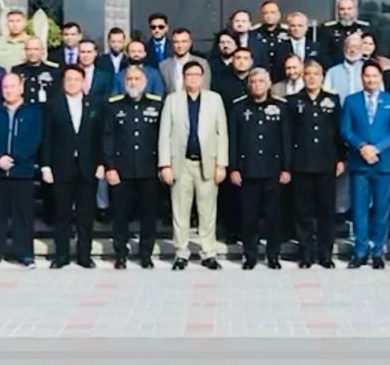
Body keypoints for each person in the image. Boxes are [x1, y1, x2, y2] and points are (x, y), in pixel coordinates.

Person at [159, 60, 229, 270]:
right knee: (180, 211)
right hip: (181, 163)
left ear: (202, 77)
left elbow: (222, 133)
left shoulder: (214, 99)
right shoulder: (172, 100)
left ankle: (208, 252)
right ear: (184, 77)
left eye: (197, 75)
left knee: (207, 212)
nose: (193, 79)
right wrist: (165, 164)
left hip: (207, 163)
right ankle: (181, 252)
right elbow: (164, 134)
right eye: (189, 75)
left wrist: (221, 164)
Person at [340, 61, 390, 269]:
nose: (371, 80)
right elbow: (345, 129)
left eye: (375, 76)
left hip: (382, 163)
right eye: (367, 76)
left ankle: (378, 251)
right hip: (359, 163)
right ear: (361, 78)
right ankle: (359, 251)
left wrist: (376, 148)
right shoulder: (351, 101)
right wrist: (362, 146)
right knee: (359, 210)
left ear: (380, 78)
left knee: (381, 210)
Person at [40, 65, 104, 268]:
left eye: (76, 79)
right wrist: (45, 166)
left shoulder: (95, 104)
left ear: (83, 82)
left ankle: (84, 255)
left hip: (88, 166)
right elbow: (47, 137)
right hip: (61, 166)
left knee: (86, 215)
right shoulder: (53, 105)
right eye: (68, 79)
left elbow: (101, 136)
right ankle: (62, 255)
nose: (72, 83)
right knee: (62, 214)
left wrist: (102, 162)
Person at [228, 68, 292, 269]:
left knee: (274, 216)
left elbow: (286, 139)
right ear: (249, 85)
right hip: (247, 170)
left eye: (261, 81)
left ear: (269, 83)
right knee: (249, 217)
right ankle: (250, 256)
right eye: (253, 81)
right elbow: (233, 140)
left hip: (273, 170)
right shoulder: (239, 107)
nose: (257, 85)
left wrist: (286, 168)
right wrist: (233, 168)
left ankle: (273, 255)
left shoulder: (280, 107)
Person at [0, 73, 43, 268]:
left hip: (22, 170)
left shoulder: (33, 112)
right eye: (5, 87)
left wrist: (16, 157)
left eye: (13, 86)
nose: (9, 90)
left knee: (23, 216)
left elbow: (35, 138)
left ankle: (25, 254)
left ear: (21, 88)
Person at [285, 60, 343, 268]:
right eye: (308, 73)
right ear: (303, 76)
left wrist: (341, 159)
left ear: (322, 77)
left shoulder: (332, 100)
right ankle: (306, 254)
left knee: (326, 211)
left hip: (326, 163)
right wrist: (288, 164)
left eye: (315, 74)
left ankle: (325, 254)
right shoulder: (293, 101)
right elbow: (288, 135)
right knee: (303, 212)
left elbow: (338, 132)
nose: (311, 77)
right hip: (302, 164)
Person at [104, 66, 163, 269]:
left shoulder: (157, 104)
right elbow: (108, 138)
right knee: (120, 215)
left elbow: (162, 138)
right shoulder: (113, 106)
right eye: (129, 79)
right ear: (124, 82)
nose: (133, 82)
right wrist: (110, 166)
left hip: (149, 170)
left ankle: (146, 254)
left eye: (137, 78)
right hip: (122, 170)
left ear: (145, 82)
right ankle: (121, 253)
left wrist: (162, 165)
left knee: (148, 215)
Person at [160, 27, 213, 93]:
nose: (180, 45)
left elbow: (205, 90)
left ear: (190, 43)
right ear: (172, 44)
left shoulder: (202, 63)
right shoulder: (163, 65)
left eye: (184, 41)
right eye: (176, 42)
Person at [320, 0, 369, 66]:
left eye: (349, 9)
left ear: (355, 10)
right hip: (335, 67)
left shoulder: (365, 28)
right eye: (342, 9)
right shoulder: (328, 29)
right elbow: (323, 54)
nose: (346, 12)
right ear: (337, 11)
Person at [13, 36, 61, 105]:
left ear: (42, 51)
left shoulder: (54, 72)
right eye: (29, 49)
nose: (32, 53)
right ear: (25, 51)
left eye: (36, 49)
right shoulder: (16, 71)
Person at [270, 11, 318, 79]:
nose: (297, 29)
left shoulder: (316, 47)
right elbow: (276, 71)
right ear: (288, 27)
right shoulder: (279, 48)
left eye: (300, 25)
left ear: (306, 27)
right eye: (293, 26)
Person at [325, 33, 365, 101]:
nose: (353, 50)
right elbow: (326, 96)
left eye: (356, 47)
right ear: (344, 49)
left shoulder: (369, 70)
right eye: (349, 47)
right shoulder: (332, 72)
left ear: (361, 50)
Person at [250, 0, 287, 72]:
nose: (269, 15)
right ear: (261, 15)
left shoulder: (287, 32)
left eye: (272, 12)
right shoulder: (253, 33)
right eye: (265, 13)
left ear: (279, 14)